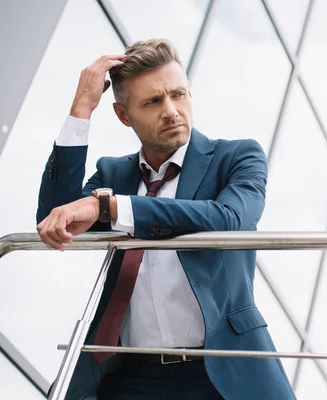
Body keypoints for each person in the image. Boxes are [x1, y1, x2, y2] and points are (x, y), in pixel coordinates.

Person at [36, 38, 295, 400]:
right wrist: (81, 109)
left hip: (222, 369)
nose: (172, 110)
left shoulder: (237, 157)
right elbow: (55, 216)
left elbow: (229, 218)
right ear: (124, 115)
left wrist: (111, 209)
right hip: (129, 375)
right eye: (153, 101)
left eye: (178, 94)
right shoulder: (114, 174)